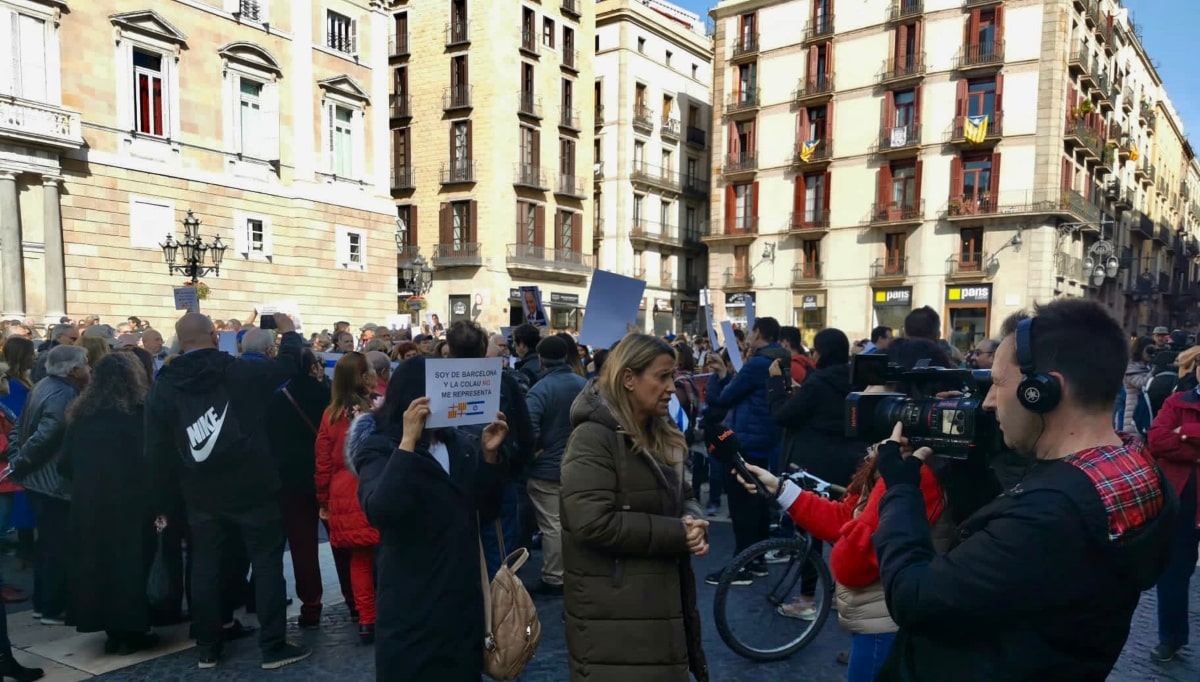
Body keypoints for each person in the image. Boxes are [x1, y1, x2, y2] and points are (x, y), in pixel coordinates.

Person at [871, 299, 1176, 681]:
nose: (988, 401)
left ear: (1043, 391)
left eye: (998, 383)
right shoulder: (1139, 470)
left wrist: (900, 489)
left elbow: (913, 596)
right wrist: (974, 454)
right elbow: (1012, 561)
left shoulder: (1047, 516)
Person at [144, 313, 310, 670]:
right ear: (214, 335)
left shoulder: (163, 385)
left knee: (205, 565)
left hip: (199, 489)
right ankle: (273, 646)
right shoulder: (237, 371)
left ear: (179, 340)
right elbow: (286, 366)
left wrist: (162, 501)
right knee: (266, 564)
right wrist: (290, 333)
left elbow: (155, 450)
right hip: (253, 485)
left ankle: (207, 645)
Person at [560, 334, 709, 682]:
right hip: (613, 614)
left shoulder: (662, 429)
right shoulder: (591, 438)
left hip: (659, 605)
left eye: (674, 376)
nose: (672, 387)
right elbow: (592, 522)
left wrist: (695, 521)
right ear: (629, 379)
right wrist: (678, 534)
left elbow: (684, 494)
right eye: (663, 376)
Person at [352, 357, 507, 680]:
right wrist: (407, 444)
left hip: (460, 603)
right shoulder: (379, 448)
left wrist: (490, 457)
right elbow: (381, 510)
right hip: (412, 604)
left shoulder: (459, 445)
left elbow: (485, 508)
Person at [61, 353, 159, 654]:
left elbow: (65, 464)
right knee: (131, 566)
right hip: (132, 504)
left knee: (97, 565)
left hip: (90, 503)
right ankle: (131, 629)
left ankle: (110, 629)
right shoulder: (140, 413)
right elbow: (153, 461)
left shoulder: (80, 415)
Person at [702, 317, 789, 585]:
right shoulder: (779, 361)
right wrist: (724, 374)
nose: (749, 338)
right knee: (759, 501)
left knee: (742, 503)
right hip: (765, 439)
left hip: (746, 441)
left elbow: (725, 396)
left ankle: (742, 564)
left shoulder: (757, 364)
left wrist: (718, 379)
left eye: (752, 332)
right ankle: (757, 559)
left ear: (758, 332)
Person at [8, 345, 90, 626]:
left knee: (48, 546)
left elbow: (20, 427)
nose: (89, 369)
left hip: (40, 481)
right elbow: (47, 433)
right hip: (53, 483)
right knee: (57, 547)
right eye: (86, 364)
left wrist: (17, 459)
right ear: (73, 369)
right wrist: (19, 461)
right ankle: (53, 607)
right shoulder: (64, 393)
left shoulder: (43, 384)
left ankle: (45, 604)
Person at [266, 349, 339, 630]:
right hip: (326, 473)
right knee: (340, 541)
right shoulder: (327, 395)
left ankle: (311, 606)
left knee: (302, 546)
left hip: (290, 479)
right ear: (312, 368)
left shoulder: (276, 398)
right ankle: (355, 601)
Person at [314, 352, 380, 645]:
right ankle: (390, 611)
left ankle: (367, 618)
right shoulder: (377, 408)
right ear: (362, 377)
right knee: (387, 555)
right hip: (373, 485)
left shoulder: (330, 414)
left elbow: (323, 462)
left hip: (343, 492)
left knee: (360, 560)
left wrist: (324, 500)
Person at [523, 335, 587, 596]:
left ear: (541, 359)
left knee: (552, 525)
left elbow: (529, 428)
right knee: (572, 522)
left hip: (548, 468)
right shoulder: (583, 384)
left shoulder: (541, 389)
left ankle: (554, 577)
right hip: (578, 464)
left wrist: (534, 453)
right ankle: (575, 571)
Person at [1146, 361, 1200, 662]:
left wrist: (1186, 432)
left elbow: (1171, 440)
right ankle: (1172, 638)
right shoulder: (1177, 401)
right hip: (1184, 503)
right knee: (1174, 574)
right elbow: (1157, 440)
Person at [1121, 336, 1156, 434]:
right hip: (1134, 413)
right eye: (1149, 350)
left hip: (1146, 410)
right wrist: (1155, 371)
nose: (1151, 354)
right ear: (1140, 350)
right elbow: (1142, 384)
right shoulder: (1131, 367)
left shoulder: (1150, 366)